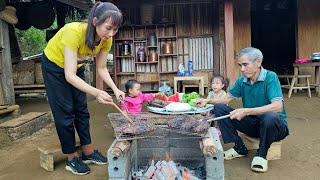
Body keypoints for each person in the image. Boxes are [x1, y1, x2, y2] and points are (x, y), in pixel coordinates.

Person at [41, 2, 125, 175]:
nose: (111, 34)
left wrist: (115, 89)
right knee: (65, 111)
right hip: (54, 66)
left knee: (81, 109)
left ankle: (87, 151)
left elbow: (101, 68)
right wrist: (96, 92)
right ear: (95, 21)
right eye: (108, 28)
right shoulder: (74, 31)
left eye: (115, 30)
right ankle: (72, 157)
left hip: (75, 66)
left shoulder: (105, 39)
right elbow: (69, 76)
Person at [196, 47, 289, 172]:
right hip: (253, 126)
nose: (242, 69)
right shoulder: (242, 81)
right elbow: (225, 100)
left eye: (245, 65)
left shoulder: (270, 77)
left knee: (270, 116)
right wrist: (207, 101)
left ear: (258, 62)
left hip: (274, 128)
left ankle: (261, 155)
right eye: (240, 65)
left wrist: (246, 111)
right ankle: (239, 147)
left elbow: (277, 106)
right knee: (219, 108)